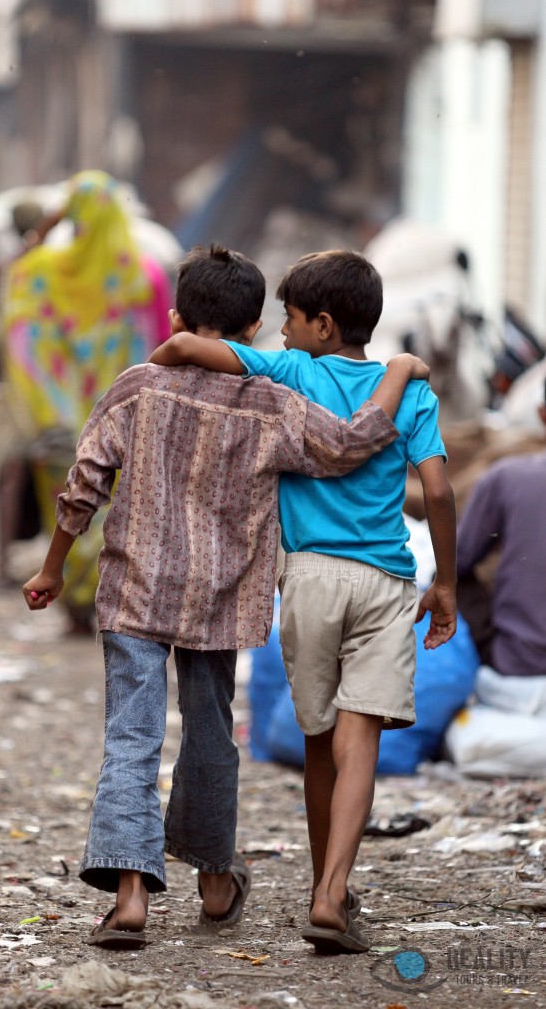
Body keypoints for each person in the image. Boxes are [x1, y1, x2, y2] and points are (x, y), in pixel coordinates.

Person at [22, 244, 429, 950]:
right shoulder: (273, 401)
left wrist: (54, 567)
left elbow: (83, 482)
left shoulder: (136, 385)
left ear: (177, 315)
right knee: (210, 734)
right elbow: (351, 444)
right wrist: (395, 374)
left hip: (134, 590)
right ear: (250, 333)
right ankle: (215, 881)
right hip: (219, 597)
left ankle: (128, 900)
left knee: (131, 738)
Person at [149, 249, 457, 954]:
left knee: (318, 740)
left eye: (286, 320)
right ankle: (330, 892)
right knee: (362, 742)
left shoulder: (291, 373)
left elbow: (185, 346)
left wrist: (162, 362)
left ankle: (327, 883)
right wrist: (446, 584)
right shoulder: (406, 390)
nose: (277, 334)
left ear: (320, 325)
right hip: (385, 581)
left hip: (309, 579)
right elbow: (437, 492)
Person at [1, 170, 172, 630]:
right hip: (127, 421)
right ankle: (104, 599)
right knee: (120, 510)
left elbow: (13, 285)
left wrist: (44, 229)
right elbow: (162, 343)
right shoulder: (143, 276)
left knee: (69, 503)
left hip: (58, 425)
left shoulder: (42, 273)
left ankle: (73, 602)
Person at [457, 400, 546, 692]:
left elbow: (454, 562)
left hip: (517, 663)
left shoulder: (507, 476)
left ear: (542, 413)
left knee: (446, 580)